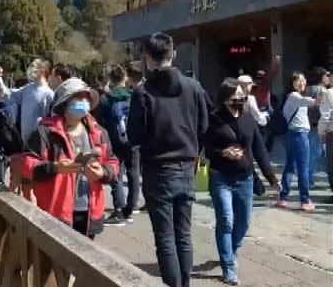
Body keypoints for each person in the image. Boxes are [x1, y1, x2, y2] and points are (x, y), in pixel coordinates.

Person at [128, 32, 210, 287]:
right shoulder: (193, 86)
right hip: (187, 165)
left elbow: (134, 135)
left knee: (165, 237)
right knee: (183, 235)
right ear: (173, 54)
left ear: (148, 57)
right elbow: (205, 125)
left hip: (157, 168)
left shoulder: (142, 92)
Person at [14, 78, 118, 239]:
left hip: (89, 212)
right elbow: (28, 165)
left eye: (87, 99)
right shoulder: (45, 132)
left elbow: (112, 162)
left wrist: (103, 173)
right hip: (56, 211)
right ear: (65, 103)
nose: (84, 103)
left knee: (85, 260)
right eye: (79, 98)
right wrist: (56, 167)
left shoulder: (99, 132)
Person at [204, 79, 279, 285]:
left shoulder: (248, 119)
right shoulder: (214, 120)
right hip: (220, 177)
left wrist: (271, 177)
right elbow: (207, 149)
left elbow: (260, 150)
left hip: (245, 178)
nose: (240, 98)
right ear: (225, 98)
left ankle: (231, 249)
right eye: (236, 95)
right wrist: (223, 153)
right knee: (226, 220)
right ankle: (228, 266)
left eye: (242, 95)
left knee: (243, 223)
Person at [96, 65, 139, 226]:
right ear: (125, 78)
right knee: (134, 173)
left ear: (111, 79)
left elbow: (99, 121)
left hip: (114, 140)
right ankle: (130, 209)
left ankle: (118, 210)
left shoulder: (107, 99)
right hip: (133, 140)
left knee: (116, 174)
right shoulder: (133, 96)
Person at [277, 72, 323, 211]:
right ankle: (305, 200)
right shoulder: (294, 96)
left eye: (303, 80)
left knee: (290, 166)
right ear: (292, 83)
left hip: (291, 135)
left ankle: (283, 198)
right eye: (298, 80)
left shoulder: (291, 97)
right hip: (299, 135)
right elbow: (314, 102)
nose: (302, 83)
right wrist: (326, 88)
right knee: (303, 167)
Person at [0, 59, 55, 143]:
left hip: (40, 143)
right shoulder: (27, 89)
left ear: (42, 71)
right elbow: (6, 95)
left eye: (34, 67)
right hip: (25, 141)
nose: (30, 69)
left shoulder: (49, 95)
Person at [306, 67, 328, 187]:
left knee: (315, 153)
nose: (327, 78)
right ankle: (308, 178)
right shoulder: (321, 90)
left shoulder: (308, 89)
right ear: (321, 77)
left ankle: (308, 177)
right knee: (315, 154)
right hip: (318, 126)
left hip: (310, 125)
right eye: (326, 75)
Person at [317, 75, 333, 198]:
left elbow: (325, 115)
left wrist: (322, 132)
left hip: (331, 132)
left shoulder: (327, 93)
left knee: (331, 165)